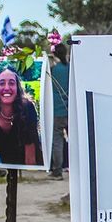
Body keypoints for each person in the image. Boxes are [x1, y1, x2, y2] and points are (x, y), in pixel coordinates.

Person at [0, 66, 43, 166]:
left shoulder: (27, 109)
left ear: (17, 87)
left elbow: (30, 158)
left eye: (11, 83)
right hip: (5, 168)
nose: (6, 88)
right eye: (2, 83)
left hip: (30, 168)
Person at [49, 43, 69, 180]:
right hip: (71, 110)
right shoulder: (70, 69)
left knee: (57, 141)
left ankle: (57, 171)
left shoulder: (52, 71)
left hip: (57, 110)